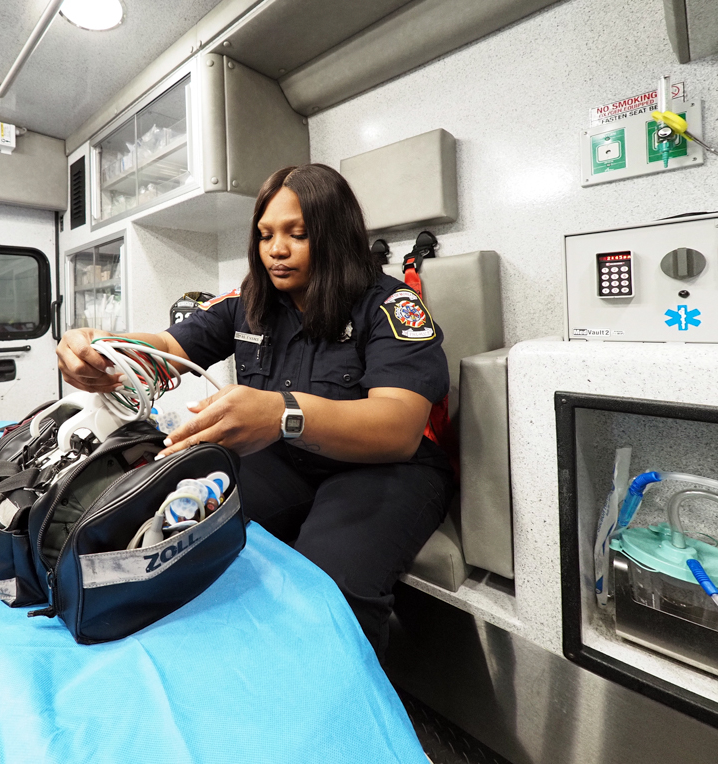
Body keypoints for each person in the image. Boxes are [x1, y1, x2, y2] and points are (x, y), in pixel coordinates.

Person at [55, 164, 452, 658]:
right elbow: (167, 345)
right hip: (287, 456)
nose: (276, 250)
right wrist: (103, 346)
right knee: (181, 531)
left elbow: (398, 427)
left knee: (327, 589)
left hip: (386, 468)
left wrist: (281, 413)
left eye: (297, 234)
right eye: (265, 235)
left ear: (336, 235)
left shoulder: (392, 306)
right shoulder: (249, 299)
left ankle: (331, 714)